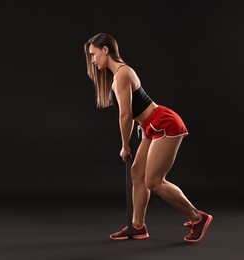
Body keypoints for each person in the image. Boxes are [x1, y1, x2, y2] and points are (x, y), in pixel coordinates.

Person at [83, 32, 213, 243]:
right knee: (137, 172)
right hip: (151, 126)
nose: (92, 59)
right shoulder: (118, 76)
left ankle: (198, 218)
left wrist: (125, 145)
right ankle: (137, 227)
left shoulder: (123, 74)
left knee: (153, 181)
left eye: (93, 54)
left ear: (105, 50)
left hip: (164, 123)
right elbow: (133, 116)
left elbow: (125, 115)